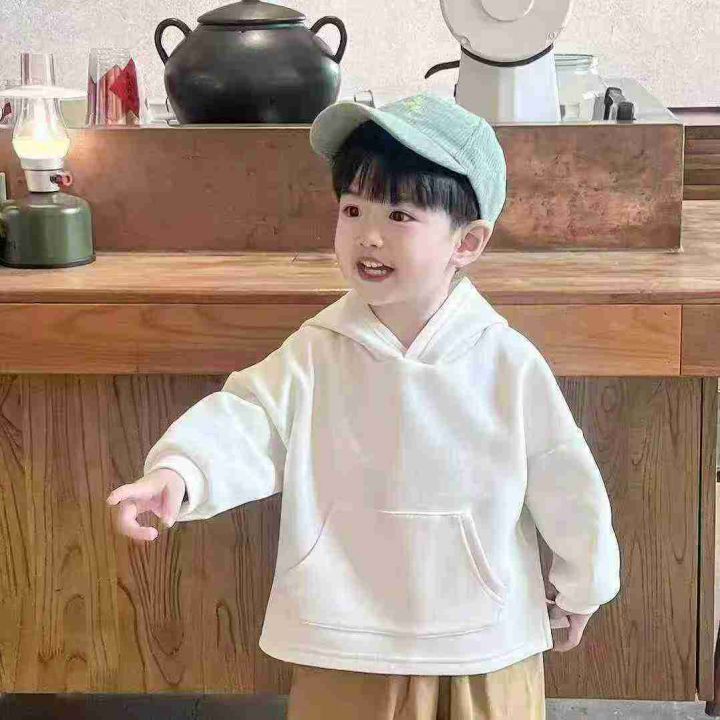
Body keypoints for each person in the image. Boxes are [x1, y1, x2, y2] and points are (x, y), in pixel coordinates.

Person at [106, 92, 620, 720]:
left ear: (468, 241)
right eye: (352, 208)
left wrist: (583, 584)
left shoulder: (506, 363)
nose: (368, 235)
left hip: (482, 640)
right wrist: (179, 473)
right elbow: (249, 420)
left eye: (400, 214)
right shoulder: (318, 350)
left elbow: (565, 478)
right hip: (345, 635)